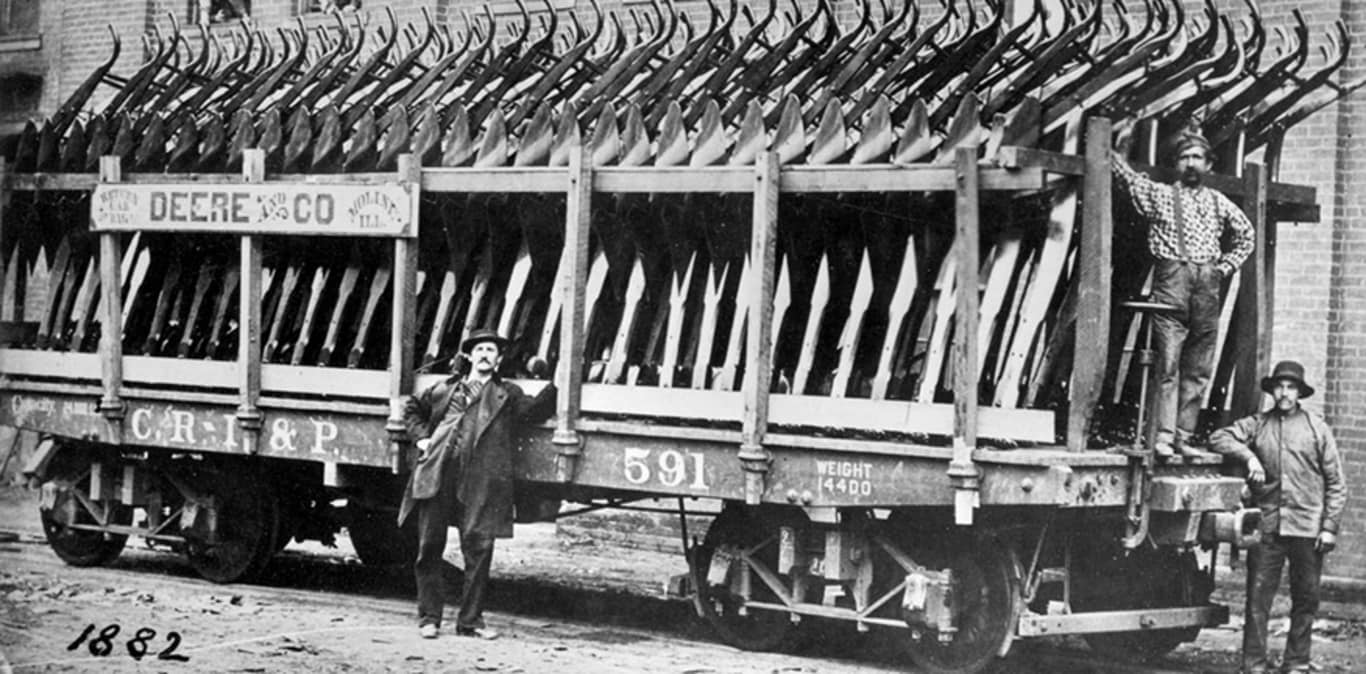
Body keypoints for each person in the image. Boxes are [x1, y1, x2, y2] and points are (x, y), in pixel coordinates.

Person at [396, 328, 555, 640]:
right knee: (429, 546)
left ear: (498, 360)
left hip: (480, 481)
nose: (485, 354)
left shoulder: (506, 394)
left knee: (479, 549)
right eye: (480, 349)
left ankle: (471, 621)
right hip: (438, 475)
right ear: (469, 356)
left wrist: (559, 383)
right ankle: (429, 618)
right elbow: (412, 409)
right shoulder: (444, 390)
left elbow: (536, 410)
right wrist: (423, 440)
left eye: (491, 351)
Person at [1112, 125, 1255, 457]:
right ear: (1176, 164)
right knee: (1168, 363)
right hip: (1172, 284)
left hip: (1207, 285)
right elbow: (1128, 179)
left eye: (1197, 157)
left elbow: (1246, 234)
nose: (1191, 163)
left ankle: (1183, 437)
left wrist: (1224, 267)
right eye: (1185, 157)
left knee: (1199, 366)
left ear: (1208, 165)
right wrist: (1118, 145)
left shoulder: (1219, 202)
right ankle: (1162, 437)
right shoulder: (1161, 195)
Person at [1210, 360, 1346, 674]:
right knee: (1258, 599)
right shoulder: (1258, 424)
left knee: (1306, 598)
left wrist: (1329, 528)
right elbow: (1219, 438)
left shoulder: (1317, 428)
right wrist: (1249, 456)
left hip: (1307, 528)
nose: (1284, 393)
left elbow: (1337, 483)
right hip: (1268, 526)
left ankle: (1296, 662)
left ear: (1300, 392)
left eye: (1291, 387)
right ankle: (1253, 664)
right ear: (1272, 390)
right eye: (1279, 387)